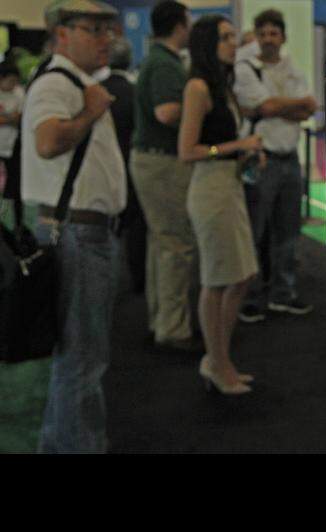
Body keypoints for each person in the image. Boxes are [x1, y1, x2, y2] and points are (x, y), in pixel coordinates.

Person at [22, 0, 127, 452]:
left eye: (109, 29)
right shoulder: (57, 82)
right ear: (62, 34)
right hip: (78, 235)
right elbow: (48, 142)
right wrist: (90, 112)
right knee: (82, 361)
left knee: (80, 358)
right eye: (94, 29)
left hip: (83, 233)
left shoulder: (75, 82)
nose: (107, 39)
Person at [178, 14, 263, 395]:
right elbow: (187, 151)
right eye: (226, 37)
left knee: (242, 275)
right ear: (208, 44)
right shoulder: (198, 87)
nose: (234, 42)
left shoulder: (222, 86)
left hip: (229, 184)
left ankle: (218, 358)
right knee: (217, 280)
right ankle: (217, 362)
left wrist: (243, 154)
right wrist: (236, 146)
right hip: (210, 189)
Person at [232, 8, 317, 323]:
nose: (268, 39)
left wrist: (275, 107)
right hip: (261, 159)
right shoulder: (246, 69)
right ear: (257, 37)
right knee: (255, 231)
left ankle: (284, 293)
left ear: (283, 37)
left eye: (274, 33)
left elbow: (307, 108)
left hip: (289, 158)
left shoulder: (292, 68)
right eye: (263, 34)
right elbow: (268, 107)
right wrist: (285, 106)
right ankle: (251, 297)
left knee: (288, 231)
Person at [130, 0, 199, 349]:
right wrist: (201, 108)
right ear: (179, 26)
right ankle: (173, 329)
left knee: (162, 244)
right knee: (176, 246)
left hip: (151, 160)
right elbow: (167, 113)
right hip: (162, 162)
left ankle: (161, 320)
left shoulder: (156, 59)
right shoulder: (165, 64)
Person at [100, 36, 146, 295]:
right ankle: (139, 279)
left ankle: (107, 280)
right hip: (131, 163)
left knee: (106, 225)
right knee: (136, 225)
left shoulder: (97, 91)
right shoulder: (135, 92)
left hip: (103, 167)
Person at [0, 61, 24, 203]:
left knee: (14, 181)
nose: (13, 85)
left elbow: (20, 117)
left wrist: (6, 118)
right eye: (10, 81)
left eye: (15, 81)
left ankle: (15, 215)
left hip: (13, 143)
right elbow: (14, 117)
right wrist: (10, 118)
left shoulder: (19, 93)